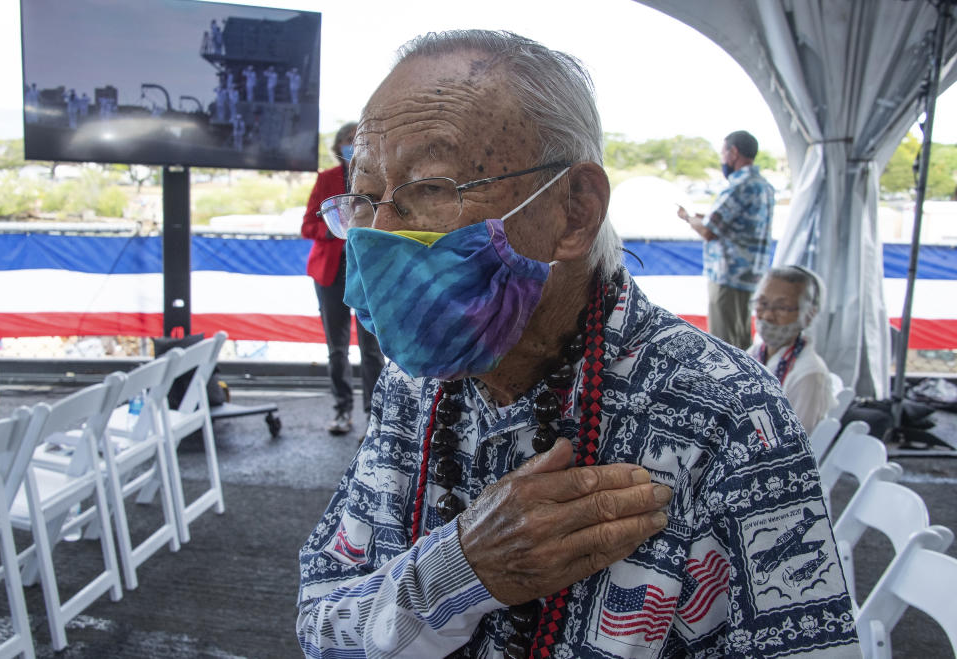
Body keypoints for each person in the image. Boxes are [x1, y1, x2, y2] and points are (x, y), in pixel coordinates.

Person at [297, 30, 859, 658]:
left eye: (432, 187)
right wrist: (456, 573)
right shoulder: (413, 386)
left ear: (574, 211)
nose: (378, 239)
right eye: (364, 199)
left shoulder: (725, 413)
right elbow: (321, 619)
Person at [300, 123, 385, 435]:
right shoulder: (325, 180)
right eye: (347, 140)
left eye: (356, 140)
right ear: (338, 146)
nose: (351, 145)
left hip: (367, 271)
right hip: (330, 273)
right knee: (337, 348)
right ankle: (342, 411)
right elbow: (307, 226)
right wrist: (334, 228)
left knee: (371, 349)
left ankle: (374, 418)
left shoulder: (379, 177)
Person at [676, 130, 775, 351]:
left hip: (728, 276)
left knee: (724, 346)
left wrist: (688, 218)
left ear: (734, 152)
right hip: (750, 275)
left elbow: (709, 231)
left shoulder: (739, 185)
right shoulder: (763, 186)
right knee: (742, 342)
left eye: (723, 153)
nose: (722, 159)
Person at [748, 266, 837, 434]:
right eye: (762, 304)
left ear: (809, 315)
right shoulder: (755, 353)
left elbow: (796, 446)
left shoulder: (809, 374)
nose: (767, 315)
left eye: (782, 308)